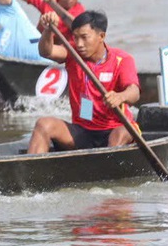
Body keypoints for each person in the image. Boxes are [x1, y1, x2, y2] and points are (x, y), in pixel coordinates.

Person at [27, 10, 140, 152]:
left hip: (115, 128)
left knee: (118, 137)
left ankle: (107, 169)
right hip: (83, 130)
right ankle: (30, 172)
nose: (79, 44)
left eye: (84, 37)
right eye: (75, 37)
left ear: (101, 36)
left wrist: (120, 96)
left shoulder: (122, 59)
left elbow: (134, 92)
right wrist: (49, 30)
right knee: (43, 124)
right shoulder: (73, 52)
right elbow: (46, 52)